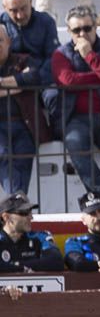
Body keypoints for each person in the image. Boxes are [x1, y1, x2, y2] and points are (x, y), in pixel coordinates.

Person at [51, 5, 100, 209]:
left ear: (96, 27)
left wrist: (89, 55)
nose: (82, 34)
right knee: (76, 146)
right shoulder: (61, 54)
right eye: (76, 30)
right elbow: (67, 80)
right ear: (69, 32)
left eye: (87, 28)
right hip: (76, 118)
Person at [0, 28, 48, 195]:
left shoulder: (23, 60)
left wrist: (2, 84)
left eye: (0, 40)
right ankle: (18, 202)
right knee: (3, 155)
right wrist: (19, 85)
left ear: (9, 43)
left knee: (23, 159)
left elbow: (34, 78)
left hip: (24, 123)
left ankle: (16, 204)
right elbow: (25, 81)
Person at [0, 0, 58, 97]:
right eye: (13, 10)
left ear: (30, 1)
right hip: (8, 78)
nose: (20, 15)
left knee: (53, 95)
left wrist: (34, 79)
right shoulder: (1, 24)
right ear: (5, 7)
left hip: (39, 79)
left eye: (23, 8)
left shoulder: (46, 22)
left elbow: (53, 57)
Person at [0, 192, 62, 272]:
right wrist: (21, 268)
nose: (31, 217)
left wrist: (18, 265)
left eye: (30, 212)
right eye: (24, 213)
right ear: (6, 217)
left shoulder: (40, 237)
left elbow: (56, 260)